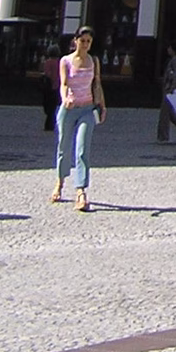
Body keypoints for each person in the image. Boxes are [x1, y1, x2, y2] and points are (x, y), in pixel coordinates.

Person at [53, 26, 106, 212]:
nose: (85, 44)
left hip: (87, 109)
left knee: (82, 148)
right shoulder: (66, 61)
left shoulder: (94, 61)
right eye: (82, 41)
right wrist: (65, 98)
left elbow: (97, 83)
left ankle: (80, 191)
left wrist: (102, 105)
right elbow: (63, 83)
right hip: (69, 109)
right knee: (64, 146)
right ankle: (59, 182)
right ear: (75, 41)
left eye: (88, 41)